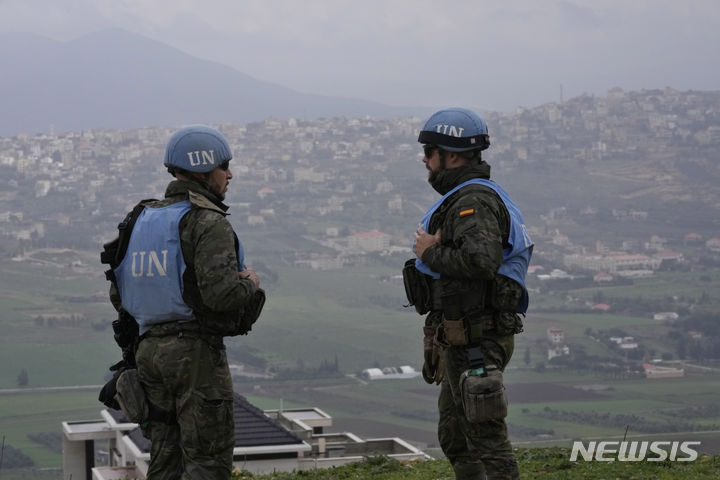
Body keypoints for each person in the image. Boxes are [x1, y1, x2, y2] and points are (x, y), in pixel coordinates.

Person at [105, 124, 261, 479]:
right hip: (195, 359)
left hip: (148, 355)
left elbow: (119, 292)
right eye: (225, 166)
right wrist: (251, 283)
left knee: (165, 458)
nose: (230, 175)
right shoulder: (206, 221)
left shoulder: (140, 218)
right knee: (207, 460)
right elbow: (222, 295)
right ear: (205, 168)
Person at [406, 108, 533, 479]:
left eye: (430, 152)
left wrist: (428, 251)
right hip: (464, 337)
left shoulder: (472, 202)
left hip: (479, 336)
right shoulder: (470, 195)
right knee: (457, 436)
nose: (425, 160)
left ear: (453, 155)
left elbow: (481, 262)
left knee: (486, 439)